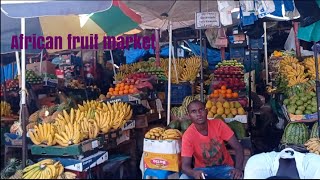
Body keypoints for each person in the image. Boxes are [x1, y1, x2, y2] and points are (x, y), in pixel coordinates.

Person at [180, 100, 244, 179]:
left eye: (201, 110)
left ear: (206, 111)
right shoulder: (188, 135)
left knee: (238, 177)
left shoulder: (218, 125)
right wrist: (194, 173)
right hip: (202, 170)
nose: (198, 114)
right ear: (189, 116)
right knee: (184, 177)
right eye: (194, 111)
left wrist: (238, 169)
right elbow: (185, 166)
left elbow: (238, 147)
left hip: (224, 169)